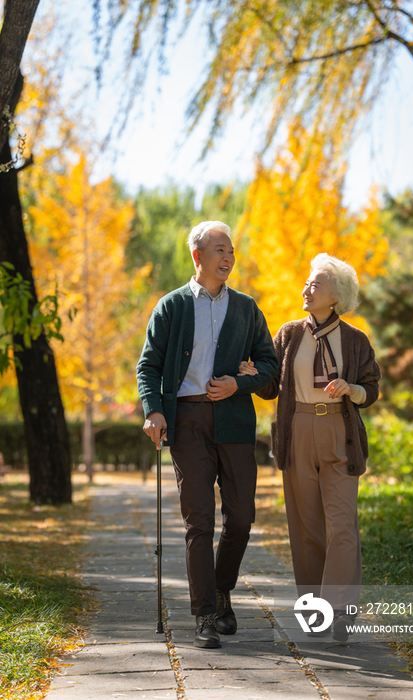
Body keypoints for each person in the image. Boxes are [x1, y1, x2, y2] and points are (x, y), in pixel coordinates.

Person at [136, 221, 278, 649]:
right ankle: (204, 616)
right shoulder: (172, 306)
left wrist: (240, 384)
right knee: (199, 521)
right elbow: (149, 367)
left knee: (241, 518)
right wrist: (154, 410)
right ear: (198, 256)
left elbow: (270, 365)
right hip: (189, 423)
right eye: (219, 250)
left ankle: (221, 588)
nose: (228, 258)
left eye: (231, 251)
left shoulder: (248, 308)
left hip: (234, 421)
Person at [239, 253, 380, 642]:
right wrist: (255, 375)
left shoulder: (355, 340)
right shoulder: (288, 334)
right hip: (297, 429)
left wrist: (352, 389)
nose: (306, 289)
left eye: (315, 284)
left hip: (339, 431)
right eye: (306, 282)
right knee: (306, 531)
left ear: (335, 295)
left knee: (342, 526)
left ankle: (339, 612)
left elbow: (372, 389)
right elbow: (272, 388)